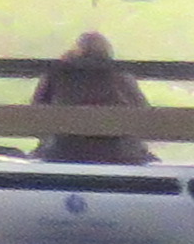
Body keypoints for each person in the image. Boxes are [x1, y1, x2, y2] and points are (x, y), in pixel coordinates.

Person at [34, 30, 161, 167]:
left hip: (63, 150)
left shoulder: (58, 74)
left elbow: (37, 111)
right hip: (119, 151)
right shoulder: (120, 75)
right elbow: (143, 113)